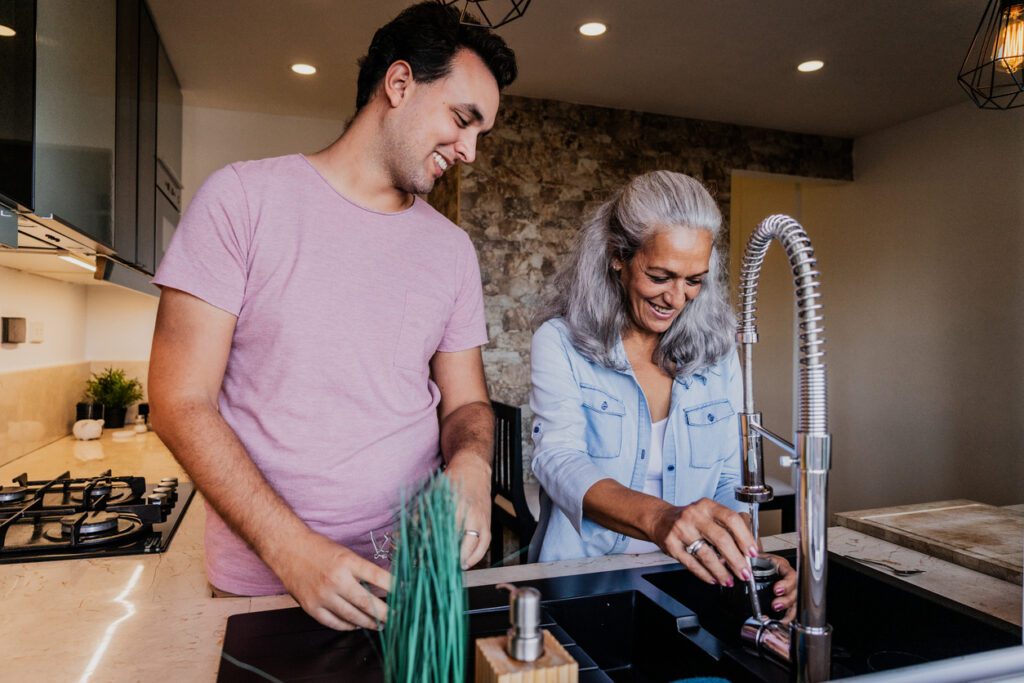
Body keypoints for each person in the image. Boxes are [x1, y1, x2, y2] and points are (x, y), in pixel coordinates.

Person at [147, 2, 517, 631]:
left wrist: (474, 465)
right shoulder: (241, 201)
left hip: (411, 576)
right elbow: (179, 401)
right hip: (263, 585)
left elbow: (466, 405)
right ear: (398, 84)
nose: (471, 152)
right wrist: (290, 550)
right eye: (462, 120)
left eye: (481, 133)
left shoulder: (451, 250)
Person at [529, 171, 796, 617]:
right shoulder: (560, 341)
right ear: (619, 256)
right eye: (660, 276)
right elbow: (558, 460)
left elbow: (730, 479)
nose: (676, 298)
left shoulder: (719, 352)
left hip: (690, 580)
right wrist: (661, 519)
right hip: (582, 579)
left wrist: (751, 557)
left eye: (694, 280)